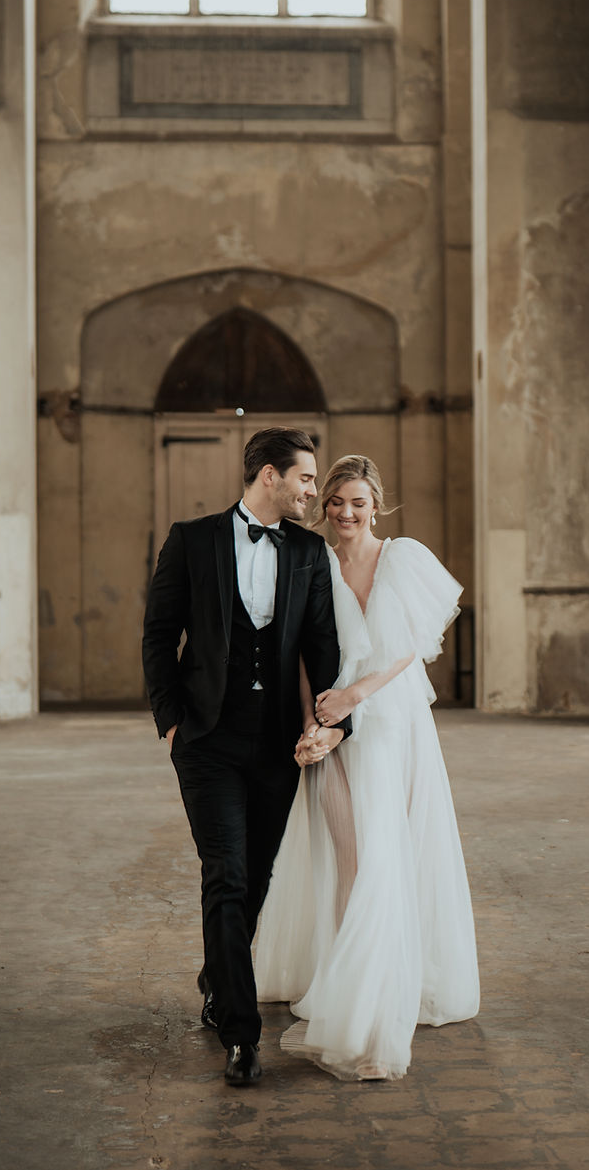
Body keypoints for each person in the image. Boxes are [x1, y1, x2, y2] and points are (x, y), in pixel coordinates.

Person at [256, 454, 480, 1081]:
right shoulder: (314, 563)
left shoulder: (402, 557)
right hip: (333, 729)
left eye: (358, 503)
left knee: (380, 856)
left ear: (375, 505)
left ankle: (372, 1003)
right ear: (323, 505)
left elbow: (410, 648)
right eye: (335, 502)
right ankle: (345, 976)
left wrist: (355, 698)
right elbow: (300, 655)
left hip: (389, 725)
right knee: (345, 856)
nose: (346, 513)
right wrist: (314, 723)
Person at [141, 426, 349, 1088]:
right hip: (206, 739)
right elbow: (157, 635)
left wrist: (329, 722)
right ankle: (241, 1032)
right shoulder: (191, 539)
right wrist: (171, 723)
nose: (314, 490)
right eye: (307, 478)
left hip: (277, 742)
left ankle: (216, 972)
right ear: (269, 475)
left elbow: (323, 649)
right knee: (224, 873)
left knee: (255, 876)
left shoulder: (311, 553)